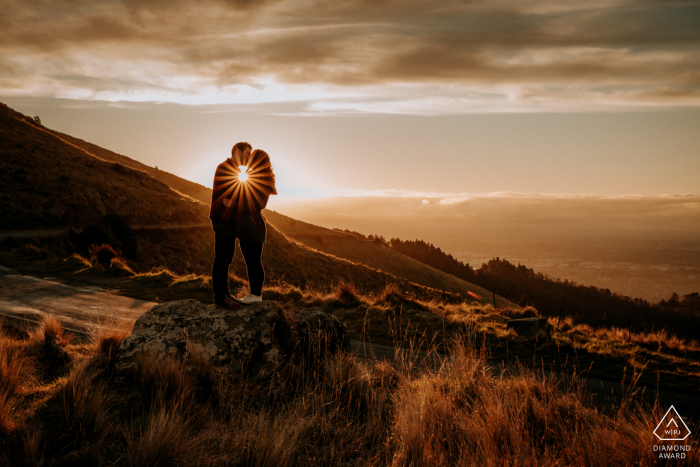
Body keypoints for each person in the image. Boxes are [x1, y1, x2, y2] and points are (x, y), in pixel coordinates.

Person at [209, 143, 277, 309]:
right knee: (223, 258)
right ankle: (221, 297)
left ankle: (228, 295)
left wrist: (234, 204)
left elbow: (254, 202)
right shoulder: (227, 168)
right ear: (237, 152)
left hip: (237, 223)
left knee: (229, 259)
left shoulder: (243, 174)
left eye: (252, 156)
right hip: (224, 219)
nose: (249, 158)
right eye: (247, 154)